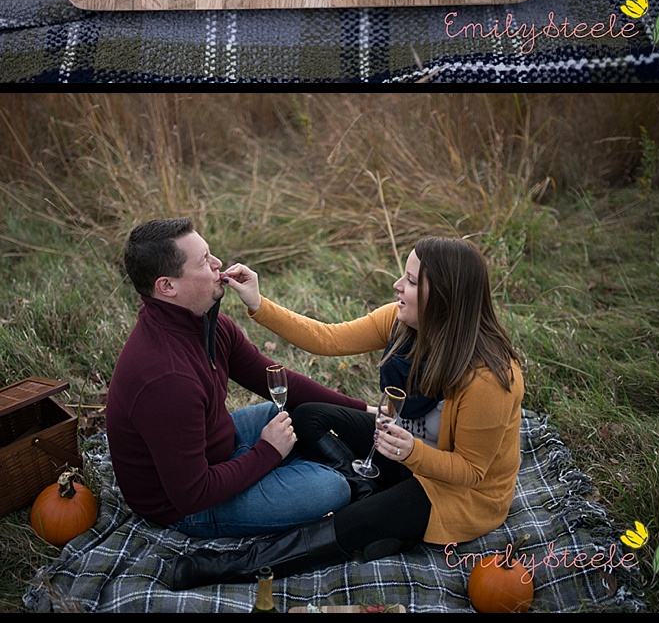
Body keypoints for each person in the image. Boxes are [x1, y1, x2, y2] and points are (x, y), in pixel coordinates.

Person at [169, 236, 524, 590]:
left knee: (351, 522)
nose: (397, 285)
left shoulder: (489, 379)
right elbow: (328, 339)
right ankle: (367, 492)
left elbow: (473, 472)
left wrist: (413, 453)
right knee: (308, 415)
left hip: (454, 492)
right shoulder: (401, 323)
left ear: (444, 298)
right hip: (401, 449)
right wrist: (259, 303)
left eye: (412, 281)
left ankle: (234, 565)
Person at [105, 217, 370, 539]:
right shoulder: (166, 379)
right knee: (329, 488)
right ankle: (319, 470)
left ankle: (319, 462)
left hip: (219, 447)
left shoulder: (205, 324)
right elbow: (192, 493)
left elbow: (275, 379)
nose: (219, 264)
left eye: (211, 254)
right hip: (185, 507)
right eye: (204, 261)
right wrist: (268, 452)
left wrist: (363, 411)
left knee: (293, 410)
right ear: (167, 286)